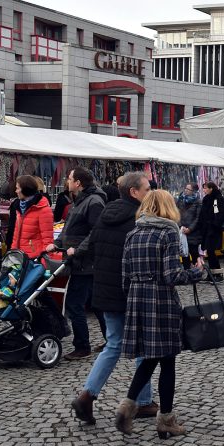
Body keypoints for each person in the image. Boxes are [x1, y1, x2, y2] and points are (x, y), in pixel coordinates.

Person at [113, 190, 205, 439]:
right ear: (168, 207)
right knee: (167, 361)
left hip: (137, 299)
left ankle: (127, 407)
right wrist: (198, 272)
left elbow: (124, 276)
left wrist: (134, 298)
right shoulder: (168, 232)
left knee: (150, 358)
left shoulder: (133, 234)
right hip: (161, 301)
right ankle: (165, 420)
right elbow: (172, 275)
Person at [70, 172, 158, 425]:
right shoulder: (138, 220)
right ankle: (142, 402)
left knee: (113, 345)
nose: (150, 192)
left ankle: (87, 395)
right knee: (142, 345)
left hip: (106, 291)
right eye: (147, 188)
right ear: (134, 192)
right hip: (132, 292)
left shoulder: (105, 215)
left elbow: (93, 247)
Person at [46, 167, 107, 360]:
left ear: (78, 182)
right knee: (95, 303)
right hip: (77, 261)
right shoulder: (78, 201)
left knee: (74, 304)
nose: (67, 181)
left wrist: (78, 249)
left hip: (86, 263)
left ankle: (82, 346)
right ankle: (114, 340)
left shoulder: (94, 202)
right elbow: (68, 228)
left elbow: (96, 232)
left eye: (69, 178)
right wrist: (57, 244)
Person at [8, 175, 54, 258]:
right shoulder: (19, 207)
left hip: (34, 258)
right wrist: (13, 253)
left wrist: (43, 260)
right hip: (20, 256)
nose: (16, 191)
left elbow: (47, 239)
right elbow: (16, 235)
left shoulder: (43, 209)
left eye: (18, 188)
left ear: (25, 189)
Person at [198, 182, 224, 281]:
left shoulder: (218, 198)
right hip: (206, 229)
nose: (204, 190)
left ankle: (218, 274)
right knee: (209, 252)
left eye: (206, 188)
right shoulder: (206, 199)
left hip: (214, 230)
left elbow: (221, 214)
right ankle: (211, 274)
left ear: (211, 188)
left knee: (211, 251)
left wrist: (214, 225)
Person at [176, 182, 202, 269]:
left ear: (193, 191)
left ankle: (197, 271)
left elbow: (198, 218)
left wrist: (190, 229)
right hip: (182, 230)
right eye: (185, 188)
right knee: (184, 253)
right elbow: (176, 213)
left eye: (188, 189)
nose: (186, 191)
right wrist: (180, 226)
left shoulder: (198, 202)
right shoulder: (181, 199)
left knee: (194, 252)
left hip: (193, 232)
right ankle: (187, 271)